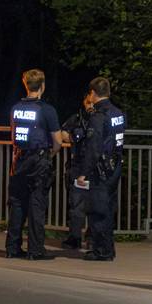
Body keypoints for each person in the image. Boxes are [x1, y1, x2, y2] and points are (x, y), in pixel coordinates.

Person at [4, 69, 63, 260]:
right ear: (43, 86)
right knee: (36, 205)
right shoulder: (47, 110)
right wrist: (50, 154)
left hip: (18, 160)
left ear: (25, 84)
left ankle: (12, 248)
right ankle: (35, 250)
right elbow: (58, 141)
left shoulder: (15, 108)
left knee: (17, 204)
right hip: (38, 161)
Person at [77, 77, 125, 262]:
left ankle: (100, 251)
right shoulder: (117, 113)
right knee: (108, 208)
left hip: (101, 169)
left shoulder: (99, 116)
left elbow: (93, 147)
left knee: (97, 210)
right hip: (115, 166)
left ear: (93, 93)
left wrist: (83, 172)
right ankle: (108, 249)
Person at [59, 94, 95, 250]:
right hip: (78, 165)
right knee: (76, 205)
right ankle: (75, 237)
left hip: (95, 167)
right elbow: (63, 133)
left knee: (95, 205)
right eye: (88, 102)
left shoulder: (101, 118)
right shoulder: (77, 118)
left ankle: (92, 238)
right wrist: (74, 137)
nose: (90, 105)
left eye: (92, 103)